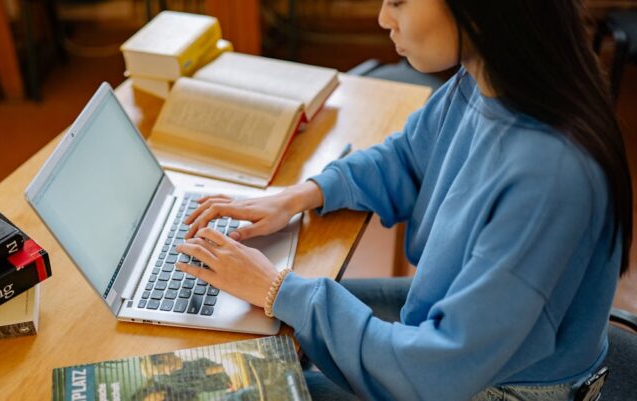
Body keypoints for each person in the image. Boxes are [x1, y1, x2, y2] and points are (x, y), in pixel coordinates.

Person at [174, 0, 633, 400]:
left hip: (491, 385)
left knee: (233, 381)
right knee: (258, 329)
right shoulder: (488, 80)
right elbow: (409, 158)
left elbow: (435, 373)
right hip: (452, 343)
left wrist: (277, 290)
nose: (382, 18)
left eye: (398, 1)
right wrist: (300, 196)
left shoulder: (548, 177)